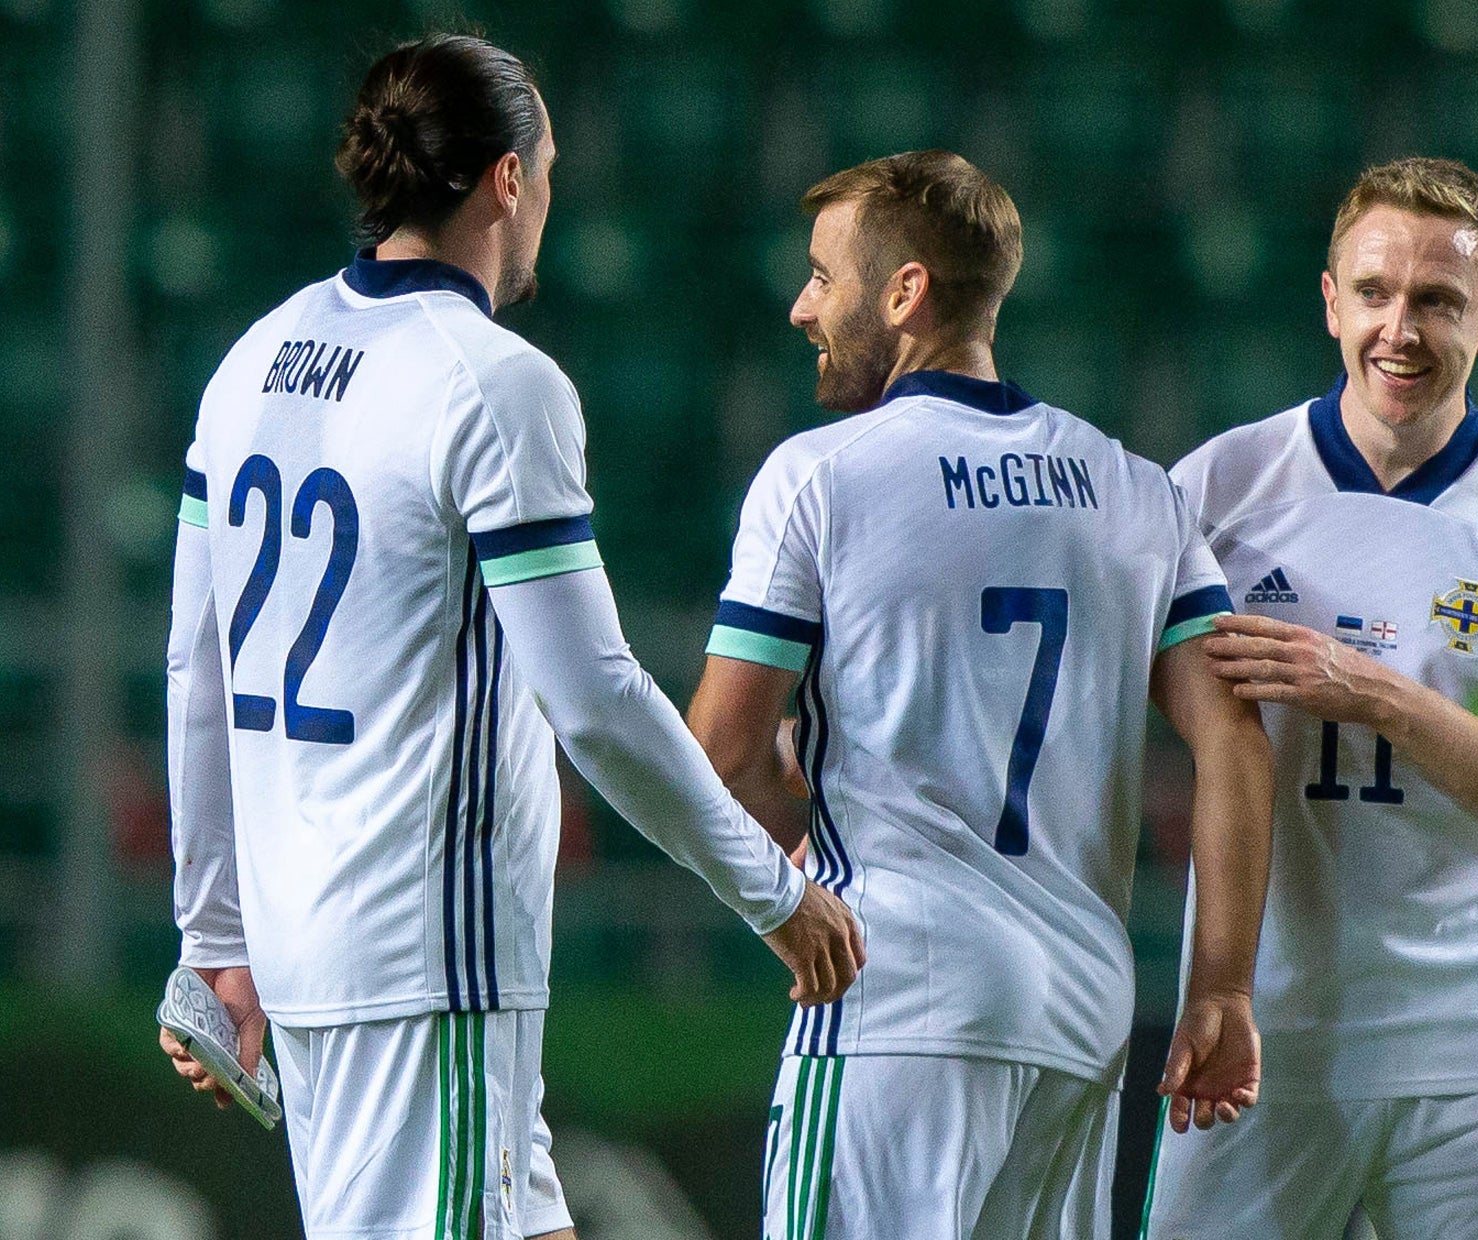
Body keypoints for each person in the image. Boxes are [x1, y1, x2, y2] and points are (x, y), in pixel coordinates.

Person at [158, 34, 860, 1240]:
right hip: (427, 965)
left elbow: (195, 669)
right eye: (547, 170)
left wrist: (216, 931)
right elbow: (593, 698)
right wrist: (770, 891)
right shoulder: (494, 383)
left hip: (314, 944)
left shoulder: (250, 364)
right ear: (506, 182)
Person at [684, 149, 1275, 1240]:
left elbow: (718, 750)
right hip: (1081, 1012)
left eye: (823, 275)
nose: (800, 305)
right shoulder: (1137, 490)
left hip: (899, 987)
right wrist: (1223, 989)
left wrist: (805, 864)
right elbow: (1233, 741)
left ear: (904, 292)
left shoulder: (819, 475)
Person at [1141, 157, 1478, 1239]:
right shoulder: (1211, 491)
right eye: (1374, 293)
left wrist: (1376, 695)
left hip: (1473, 1050)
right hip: (1256, 1037)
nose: (1399, 329)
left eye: (1438, 302)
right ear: (1330, 300)